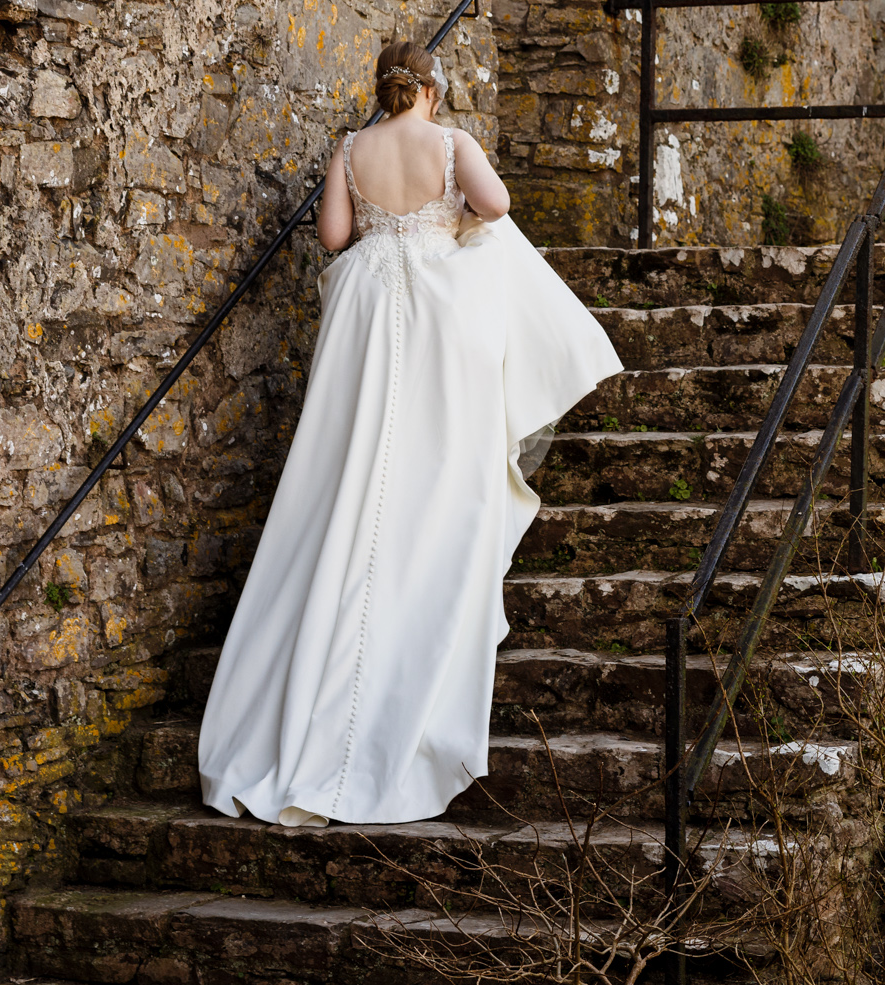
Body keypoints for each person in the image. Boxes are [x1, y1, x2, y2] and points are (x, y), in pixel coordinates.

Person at [196, 40, 622, 826]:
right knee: (427, 448)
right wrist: (451, 211)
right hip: (432, 307)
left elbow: (333, 236)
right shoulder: (451, 141)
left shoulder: (350, 148)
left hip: (365, 307)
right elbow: (494, 207)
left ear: (384, 89)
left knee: (359, 455)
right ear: (431, 89)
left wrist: (381, 217)